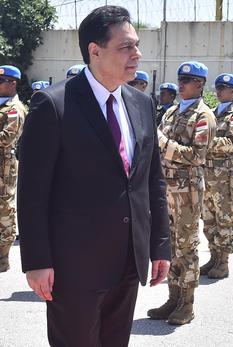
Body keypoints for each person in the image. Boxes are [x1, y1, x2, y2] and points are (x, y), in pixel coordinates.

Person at [17, 6, 171, 346]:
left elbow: (152, 181)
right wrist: (37, 260)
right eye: (126, 47)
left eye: (137, 45)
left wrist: (160, 243)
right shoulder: (54, 105)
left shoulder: (141, 104)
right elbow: (32, 191)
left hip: (129, 261)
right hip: (74, 267)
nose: (137, 54)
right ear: (94, 50)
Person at [148, 61, 216, 325]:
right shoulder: (172, 112)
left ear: (199, 84)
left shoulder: (204, 116)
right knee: (169, 245)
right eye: (180, 78)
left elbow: (198, 156)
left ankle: (186, 304)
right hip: (166, 187)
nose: (181, 83)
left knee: (186, 247)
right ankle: (172, 297)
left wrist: (164, 144)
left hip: (187, 191)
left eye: (187, 79)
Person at [200, 73, 233, 279]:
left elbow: (231, 143)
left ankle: (223, 262)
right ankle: (213, 256)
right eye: (217, 87)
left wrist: (204, 142)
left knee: (224, 219)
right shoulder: (210, 113)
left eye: (224, 88)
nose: (218, 91)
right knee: (208, 219)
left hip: (224, 176)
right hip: (207, 174)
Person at [0, 65, 27, 273]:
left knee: (4, 212)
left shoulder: (14, 108)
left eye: (1, 82)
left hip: (4, 168)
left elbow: (7, 138)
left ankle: (2, 259)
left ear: (12, 83)